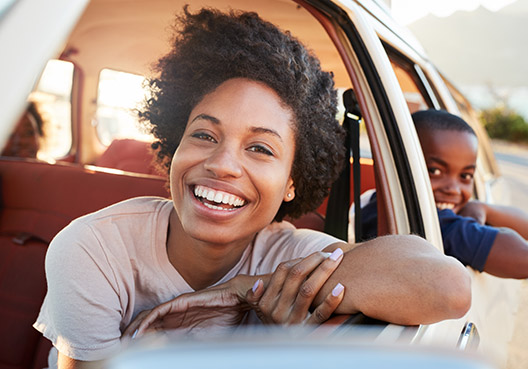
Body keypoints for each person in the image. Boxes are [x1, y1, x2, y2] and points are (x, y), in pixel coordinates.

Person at [33, 8, 470, 369]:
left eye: (260, 148)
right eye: (204, 135)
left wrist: (246, 287)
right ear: (174, 142)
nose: (223, 165)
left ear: (292, 183)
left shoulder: (289, 258)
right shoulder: (94, 248)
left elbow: (447, 286)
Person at [359, 109, 528, 278]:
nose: (453, 189)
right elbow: (523, 259)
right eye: (435, 171)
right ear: (396, 164)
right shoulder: (437, 225)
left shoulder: (372, 203)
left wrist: (481, 208)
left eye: (465, 176)